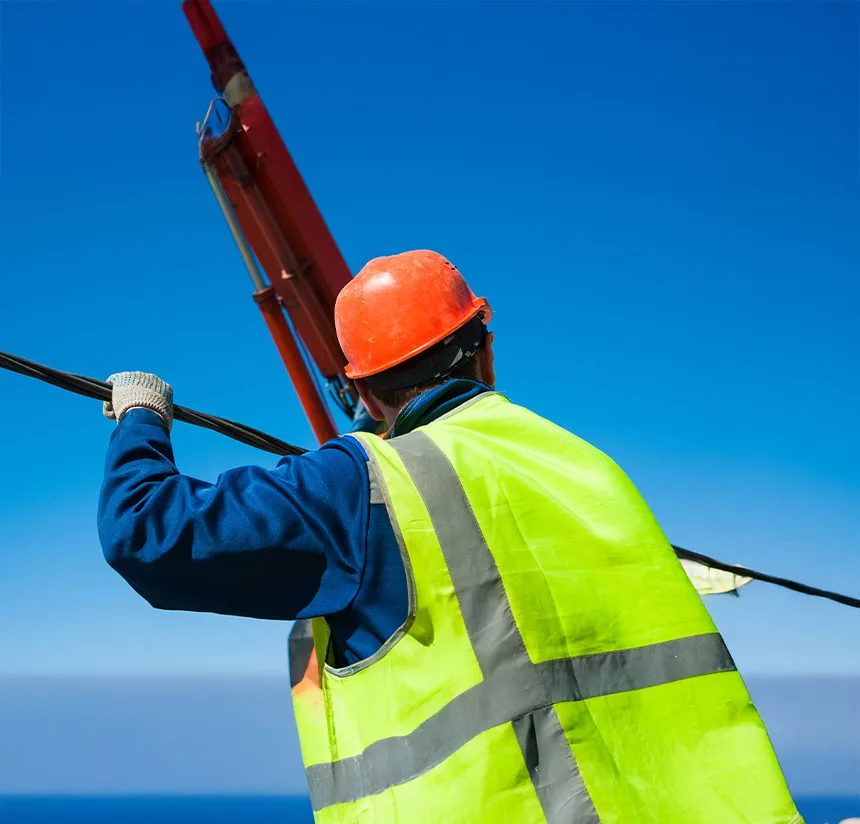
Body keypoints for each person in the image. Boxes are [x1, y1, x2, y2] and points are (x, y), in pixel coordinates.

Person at [99, 250, 803, 824]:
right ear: (486, 352)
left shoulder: (362, 483)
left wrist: (140, 415)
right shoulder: (589, 468)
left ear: (365, 394)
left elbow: (148, 532)